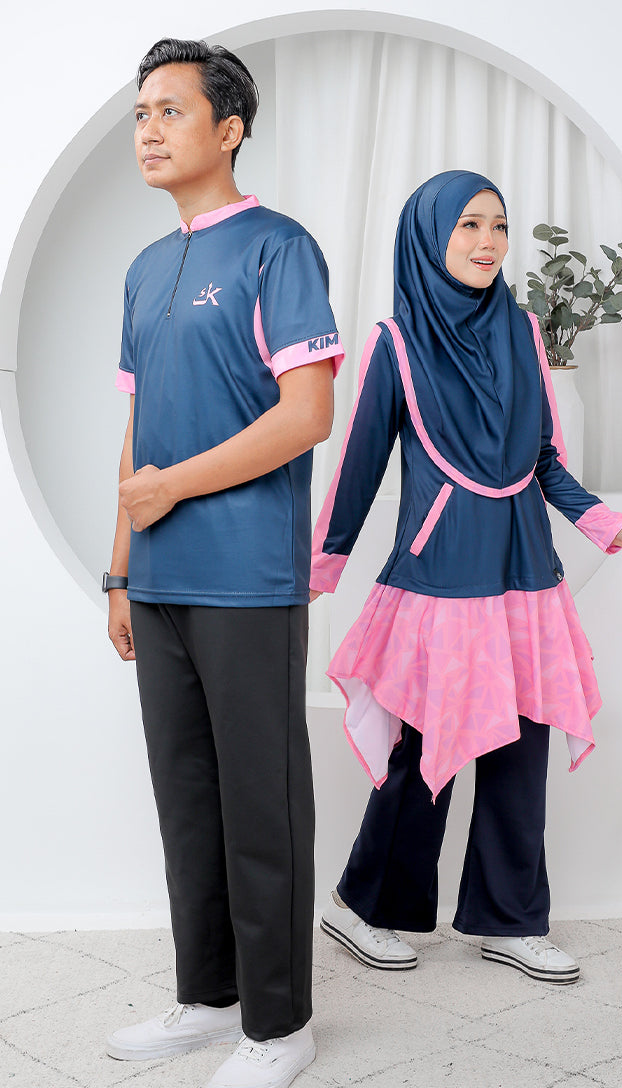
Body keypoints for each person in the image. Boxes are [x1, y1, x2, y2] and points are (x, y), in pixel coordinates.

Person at [310, 170, 622, 985]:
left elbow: (543, 460)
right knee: (424, 746)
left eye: (499, 226)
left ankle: (509, 921)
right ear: (428, 237)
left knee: (521, 744)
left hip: (523, 575)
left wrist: (611, 527)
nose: (488, 242)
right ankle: (363, 907)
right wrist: (318, 570)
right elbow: (358, 466)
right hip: (439, 579)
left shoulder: (523, 332)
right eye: (468, 225)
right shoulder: (396, 342)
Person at [103, 38, 343, 1088]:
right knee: (187, 800)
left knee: (262, 800)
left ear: (229, 128)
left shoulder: (279, 249)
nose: (150, 130)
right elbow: (136, 434)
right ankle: (207, 999)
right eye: (141, 114)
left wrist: (174, 489)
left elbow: (307, 416)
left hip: (247, 576)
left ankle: (279, 1024)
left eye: (172, 111)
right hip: (156, 581)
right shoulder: (144, 268)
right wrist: (120, 570)